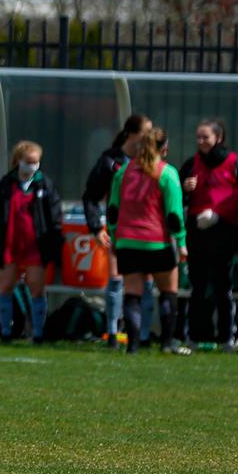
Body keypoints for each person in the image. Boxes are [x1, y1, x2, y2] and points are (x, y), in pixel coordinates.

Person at [109, 128, 188, 355]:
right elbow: (174, 214)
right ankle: (166, 343)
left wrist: (115, 237)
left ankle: (132, 346)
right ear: (164, 149)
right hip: (157, 243)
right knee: (168, 291)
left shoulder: (123, 172)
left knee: (132, 294)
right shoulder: (167, 172)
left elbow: (113, 210)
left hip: (128, 242)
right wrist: (181, 242)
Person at [179, 118, 238, 352]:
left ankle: (226, 337)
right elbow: (177, 198)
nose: (201, 142)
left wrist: (219, 215)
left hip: (224, 233)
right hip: (198, 233)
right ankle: (196, 335)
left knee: (222, 286)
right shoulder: (192, 165)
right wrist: (186, 190)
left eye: (206, 137)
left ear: (218, 138)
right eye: (198, 137)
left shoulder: (234, 164)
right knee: (198, 286)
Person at [0, 141, 63, 345]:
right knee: (6, 285)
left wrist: (53, 241)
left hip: (34, 246)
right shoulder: (5, 185)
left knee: (36, 286)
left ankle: (37, 332)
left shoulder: (44, 184)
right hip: (10, 243)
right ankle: (5, 332)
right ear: (18, 161)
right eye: (29, 162)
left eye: (36, 162)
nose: (33, 166)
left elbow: (54, 214)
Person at [84, 114, 152, 345]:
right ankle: (112, 332)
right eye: (146, 131)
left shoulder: (149, 160)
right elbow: (91, 196)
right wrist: (96, 228)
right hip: (119, 228)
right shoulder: (110, 161)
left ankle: (142, 334)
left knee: (146, 280)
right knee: (116, 278)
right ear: (132, 134)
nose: (150, 137)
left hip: (145, 229)